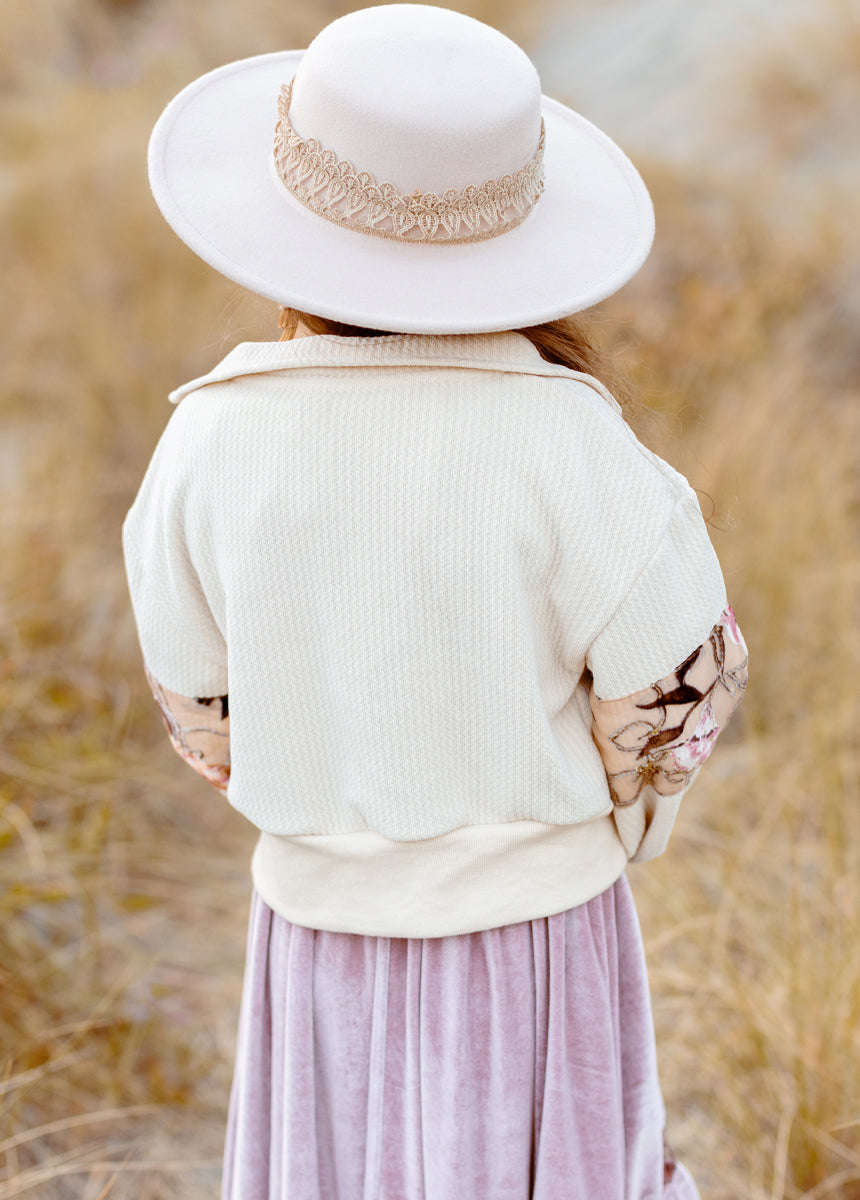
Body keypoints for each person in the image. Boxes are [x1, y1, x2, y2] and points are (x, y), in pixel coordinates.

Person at [123, 6, 748, 1198]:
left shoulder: (206, 439)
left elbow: (203, 715)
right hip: (538, 939)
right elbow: (674, 698)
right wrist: (595, 818)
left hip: (316, 941)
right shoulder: (569, 441)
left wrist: (338, 789)